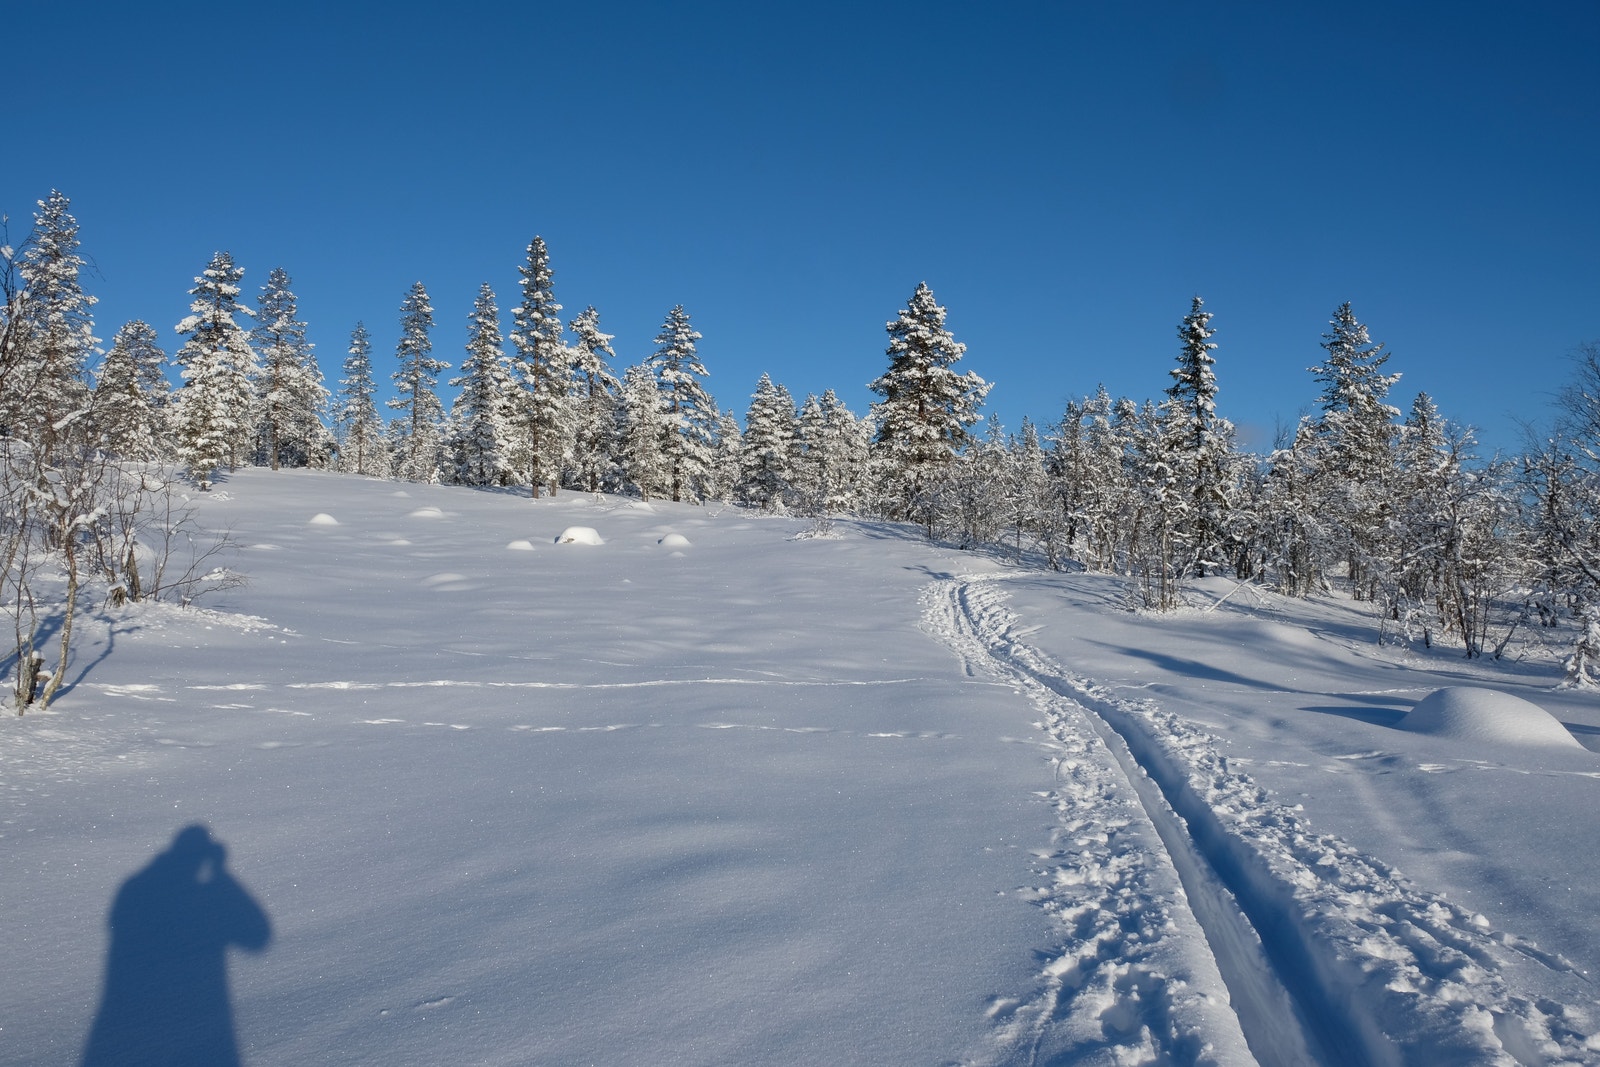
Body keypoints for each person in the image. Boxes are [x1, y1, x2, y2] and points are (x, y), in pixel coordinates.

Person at [81, 824, 271, 1067]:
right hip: (196, 1019)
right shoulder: (204, 896)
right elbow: (257, 935)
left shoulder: (136, 888)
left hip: (136, 1018)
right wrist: (221, 875)